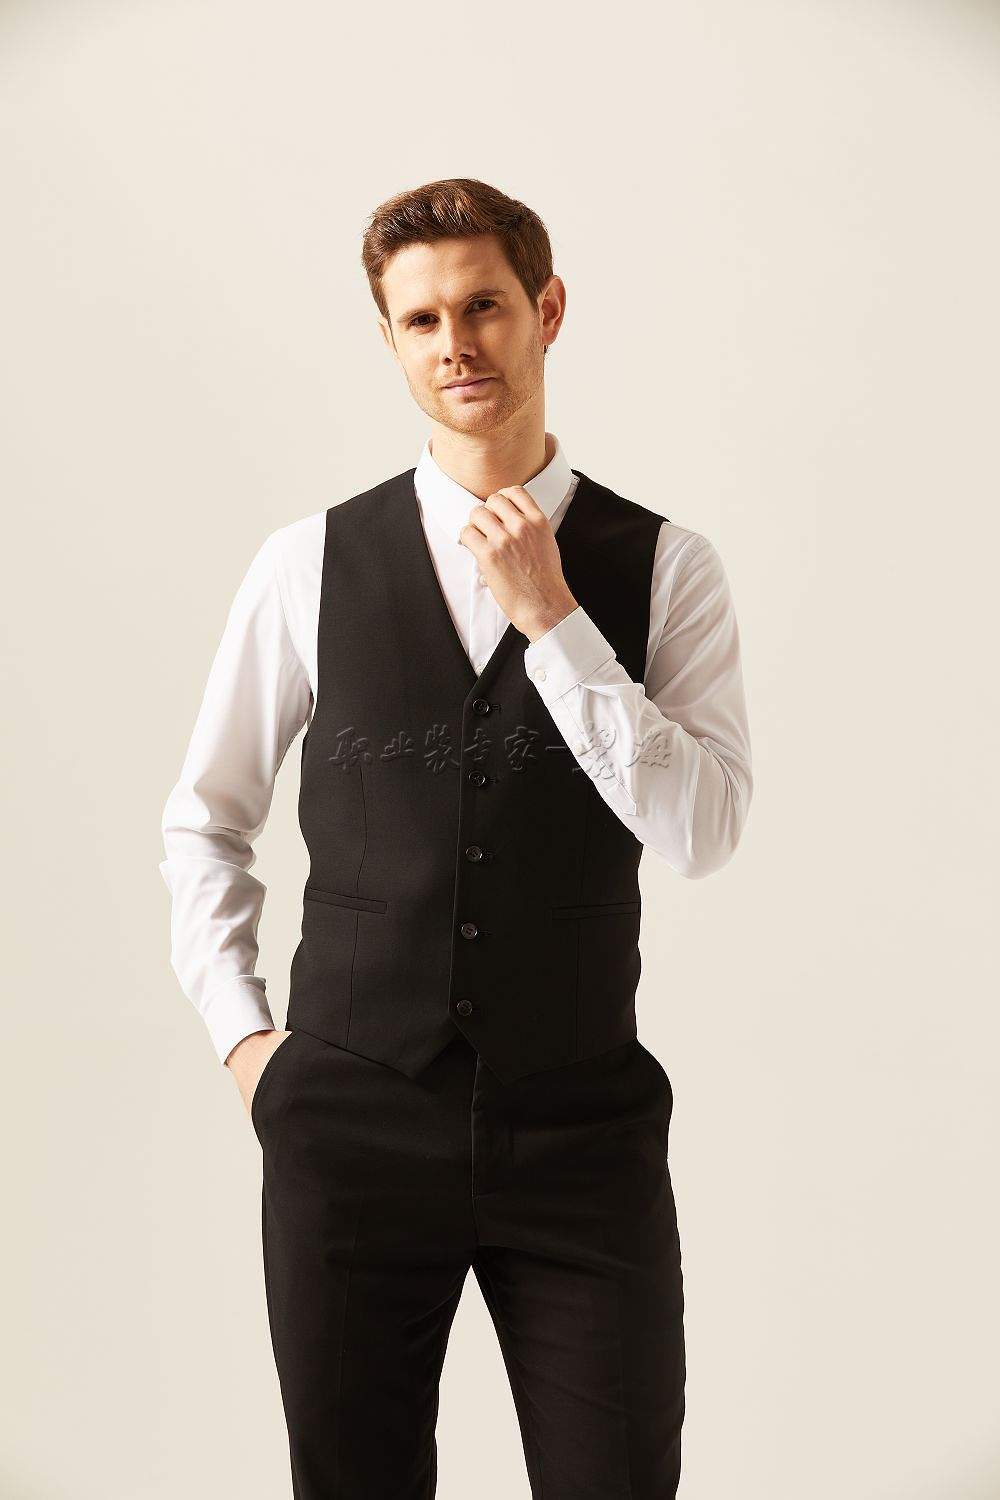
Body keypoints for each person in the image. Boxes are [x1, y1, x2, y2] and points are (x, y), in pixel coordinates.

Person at [159, 175, 753, 1498]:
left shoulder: (667, 567)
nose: (456, 344)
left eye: (484, 306)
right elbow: (206, 819)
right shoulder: (306, 563)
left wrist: (558, 623)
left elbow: (704, 832)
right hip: (349, 1124)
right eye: (421, 320)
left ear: (548, 311)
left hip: (582, 1128)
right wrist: (247, 1044)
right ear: (389, 339)